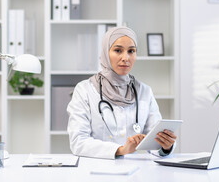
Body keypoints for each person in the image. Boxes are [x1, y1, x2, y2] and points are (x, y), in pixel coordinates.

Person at [67, 26, 177, 159]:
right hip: (96, 169)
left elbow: (153, 140)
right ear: (106, 52)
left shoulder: (144, 91)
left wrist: (166, 146)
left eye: (131, 51)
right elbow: (78, 142)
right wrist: (121, 150)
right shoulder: (84, 89)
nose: (126, 58)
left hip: (134, 172)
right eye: (118, 50)